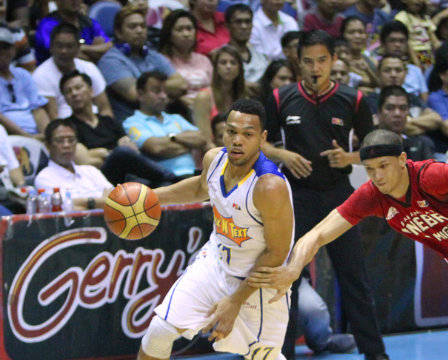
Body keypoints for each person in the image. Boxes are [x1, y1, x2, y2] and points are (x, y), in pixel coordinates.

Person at [249, 129, 448, 360]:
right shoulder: (372, 196)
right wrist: (291, 268)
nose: (377, 176)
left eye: (384, 166)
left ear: (402, 160)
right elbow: (318, 233)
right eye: (370, 170)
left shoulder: (430, 176)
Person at [262, 30, 388, 360]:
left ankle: (377, 355)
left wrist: (347, 158)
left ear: (334, 60)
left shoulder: (353, 99)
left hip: (339, 197)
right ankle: (281, 355)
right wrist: (284, 156)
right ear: (297, 62)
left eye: (321, 60)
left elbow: (375, 149)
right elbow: (260, 142)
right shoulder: (280, 97)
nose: (315, 68)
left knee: (354, 280)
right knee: (285, 280)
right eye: (307, 61)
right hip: (296, 198)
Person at [137, 98, 295, 360]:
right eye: (231, 131)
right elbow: (200, 189)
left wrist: (235, 301)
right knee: (159, 331)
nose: (237, 140)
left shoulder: (269, 186)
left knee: (263, 356)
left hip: (258, 281)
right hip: (215, 264)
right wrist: (150, 198)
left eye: (247, 134)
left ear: (262, 138)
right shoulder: (214, 159)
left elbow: (277, 253)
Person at [61, 70, 177, 186]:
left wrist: (102, 153)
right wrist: (115, 154)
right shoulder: (68, 127)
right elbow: (86, 162)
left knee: (161, 185)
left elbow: (132, 150)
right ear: (66, 99)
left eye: (78, 87)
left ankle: (169, 181)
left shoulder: (108, 121)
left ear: (91, 91)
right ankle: (174, 178)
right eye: (68, 91)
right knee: (121, 152)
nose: (74, 93)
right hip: (100, 178)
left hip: (127, 174)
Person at [98, 5, 188, 123]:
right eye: (133, 27)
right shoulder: (110, 61)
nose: (139, 31)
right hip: (133, 122)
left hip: (163, 118)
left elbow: (181, 85)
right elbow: (135, 94)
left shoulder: (152, 55)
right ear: (119, 33)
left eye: (142, 26)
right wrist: (168, 92)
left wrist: (152, 90)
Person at [123, 71, 209, 178]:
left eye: (165, 91)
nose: (163, 96)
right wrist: (187, 144)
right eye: (157, 91)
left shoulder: (176, 118)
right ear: (140, 94)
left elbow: (201, 139)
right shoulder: (132, 122)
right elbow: (156, 148)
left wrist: (171, 138)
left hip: (193, 174)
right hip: (164, 179)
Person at [33, 23, 113, 120]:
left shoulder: (89, 68)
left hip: (97, 123)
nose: (64, 51)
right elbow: (53, 117)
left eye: (69, 46)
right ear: (51, 47)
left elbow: (105, 109)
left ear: (78, 48)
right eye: (59, 46)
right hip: (67, 127)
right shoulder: (41, 75)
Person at [158, 9, 214, 139]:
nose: (186, 34)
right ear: (169, 34)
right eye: (179, 29)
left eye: (189, 29)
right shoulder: (163, 61)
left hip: (209, 110)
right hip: (179, 112)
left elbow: (215, 89)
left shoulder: (204, 60)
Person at [35, 119, 112, 210]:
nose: (66, 145)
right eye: (60, 140)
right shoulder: (45, 177)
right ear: (48, 145)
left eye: (71, 140)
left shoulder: (91, 171)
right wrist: (103, 201)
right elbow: (66, 208)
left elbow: (117, 201)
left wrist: (84, 203)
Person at [0, 27, 50, 136]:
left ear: (13, 50)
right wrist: (28, 137)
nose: (2, 52)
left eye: (5, 47)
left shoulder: (23, 75)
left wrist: (47, 136)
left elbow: (37, 109)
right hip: (8, 137)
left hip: (35, 134)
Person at [34, 0, 112, 64]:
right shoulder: (48, 25)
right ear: (58, 2)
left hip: (88, 70)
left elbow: (109, 46)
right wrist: (94, 53)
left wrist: (83, 48)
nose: (75, 1)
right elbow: (62, 52)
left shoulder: (88, 22)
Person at [376, 86, 435, 161]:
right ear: (379, 112)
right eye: (390, 108)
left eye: (403, 108)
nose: (397, 114)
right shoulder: (367, 145)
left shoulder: (420, 145)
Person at [225, 4, 269, 84]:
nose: (244, 26)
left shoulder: (261, 58)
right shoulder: (220, 56)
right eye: (238, 22)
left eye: (248, 22)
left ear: (252, 25)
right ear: (227, 26)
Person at [340, 16, 378, 94]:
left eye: (361, 32)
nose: (357, 36)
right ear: (343, 35)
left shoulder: (373, 62)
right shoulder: (338, 63)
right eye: (351, 32)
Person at [210, 45, 247, 118]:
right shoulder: (204, 97)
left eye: (233, 63)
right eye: (223, 62)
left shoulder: (245, 97)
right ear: (216, 67)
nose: (228, 66)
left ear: (240, 69)